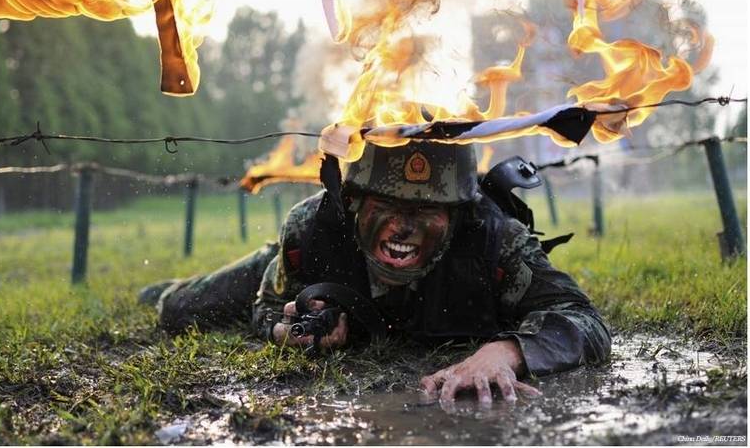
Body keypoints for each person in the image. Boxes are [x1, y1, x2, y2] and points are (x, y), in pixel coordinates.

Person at [145, 141, 611, 405]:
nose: (403, 224)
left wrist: (504, 352)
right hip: (293, 266)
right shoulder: (312, 229)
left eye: (426, 209)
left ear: (457, 214)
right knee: (179, 309)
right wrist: (287, 330)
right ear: (354, 204)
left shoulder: (494, 240)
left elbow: (582, 319)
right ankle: (160, 287)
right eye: (386, 205)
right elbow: (268, 305)